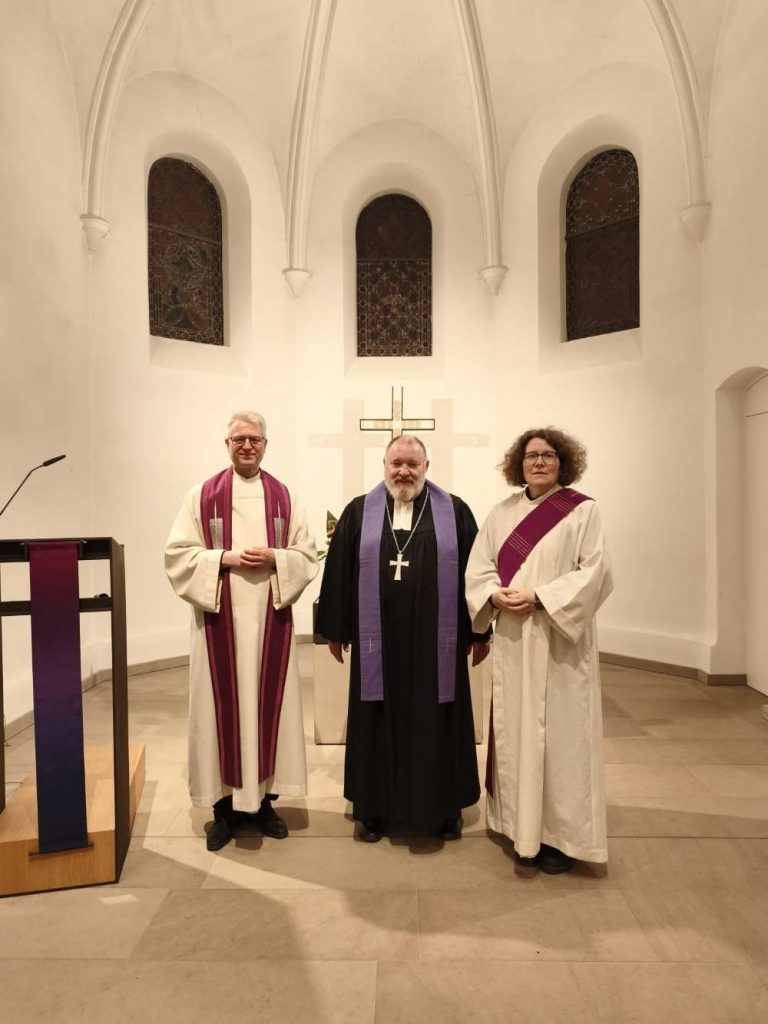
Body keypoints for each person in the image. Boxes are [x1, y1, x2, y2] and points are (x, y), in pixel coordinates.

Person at [316, 434, 490, 842]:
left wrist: (479, 631)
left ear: (427, 467)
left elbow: (476, 573)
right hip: (378, 642)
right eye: (396, 463)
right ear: (384, 466)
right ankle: (374, 810)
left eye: (413, 464)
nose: (404, 471)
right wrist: (336, 630)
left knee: (439, 718)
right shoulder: (359, 511)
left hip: (437, 644)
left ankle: (443, 809)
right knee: (375, 718)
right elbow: (339, 571)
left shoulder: (454, 511)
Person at [165, 412, 318, 851]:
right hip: (219, 623)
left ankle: (264, 805)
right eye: (239, 439)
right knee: (217, 712)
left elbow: (306, 555)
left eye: (254, 439)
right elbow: (177, 555)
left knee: (268, 711)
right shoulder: (201, 496)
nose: (247, 446)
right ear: (227, 445)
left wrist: (276, 558)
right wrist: (224, 559)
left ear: (266, 444)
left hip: (270, 621)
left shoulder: (285, 497)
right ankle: (222, 812)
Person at [465, 427, 613, 874]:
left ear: (563, 462)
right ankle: (517, 825)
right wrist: (494, 595)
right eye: (531, 456)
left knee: (561, 739)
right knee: (517, 733)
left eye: (549, 455)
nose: (540, 462)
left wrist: (542, 597)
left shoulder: (583, 511)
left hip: (559, 642)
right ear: (519, 464)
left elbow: (596, 572)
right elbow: (479, 569)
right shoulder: (501, 513)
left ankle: (558, 837)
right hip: (514, 639)